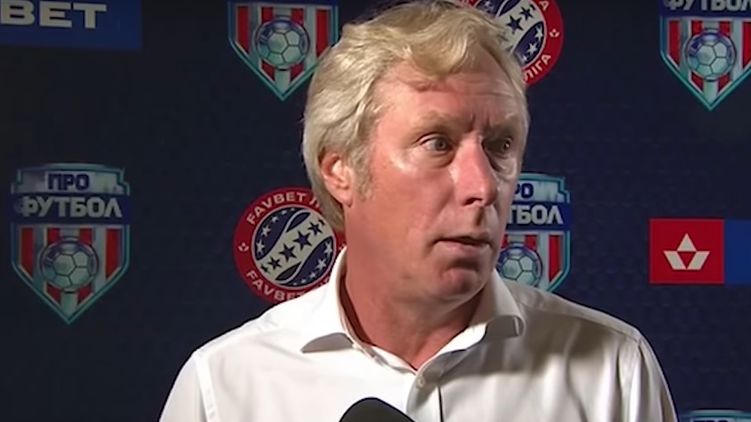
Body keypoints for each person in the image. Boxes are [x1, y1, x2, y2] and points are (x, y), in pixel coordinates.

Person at [160, 1, 677, 421]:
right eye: (437, 143)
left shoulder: (613, 372)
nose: (482, 186)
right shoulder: (224, 388)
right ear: (342, 170)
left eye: (500, 146)